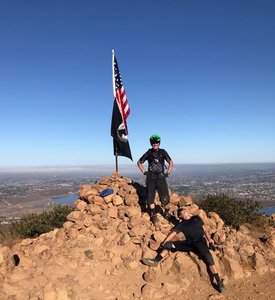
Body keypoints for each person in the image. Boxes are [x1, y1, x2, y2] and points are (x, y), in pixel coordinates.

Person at [142, 206, 225, 293]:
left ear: (188, 211)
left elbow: (205, 231)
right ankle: (156, 260)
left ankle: (218, 282)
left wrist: (210, 241)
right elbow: (173, 234)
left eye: (184, 212)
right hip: (189, 244)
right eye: (181, 214)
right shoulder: (181, 224)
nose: (184, 214)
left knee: (208, 257)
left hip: (200, 242)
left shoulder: (196, 218)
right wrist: (164, 242)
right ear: (180, 216)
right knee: (169, 244)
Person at [137, 134, 173, 224]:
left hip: (161, 178)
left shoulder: (163, 152)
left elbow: (171, 162)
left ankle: (167, 212)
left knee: (165, 198)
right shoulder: (149, 153)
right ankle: (153, 215)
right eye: (153, 142)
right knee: (150, 199)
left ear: (159, 143)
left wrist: (167, 173)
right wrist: (144, 172)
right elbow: (139, 162)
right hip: (151, 178)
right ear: (151, 143)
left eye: (156, 142)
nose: (155, 144)